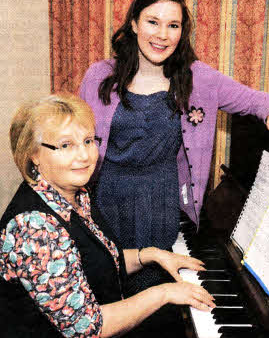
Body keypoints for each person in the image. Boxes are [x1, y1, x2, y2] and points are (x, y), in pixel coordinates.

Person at [79, 0, 269, 295]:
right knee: (104, 288)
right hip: (106, 200)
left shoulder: (198, 78)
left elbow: (251, 99)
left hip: (160, 205)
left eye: (173, 25)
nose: (162, 34)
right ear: (134, 24)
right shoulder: (99, 75)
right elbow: (73, 135)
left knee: (153, 295)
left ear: (182, 31)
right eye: (153, 22)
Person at [0, 93, 216, 338]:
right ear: (33, 155)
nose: (84, 155)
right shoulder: (34, 227)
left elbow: (91, 261)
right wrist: (164, 293)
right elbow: (87, 327)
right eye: (65, 145)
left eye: (88, 141)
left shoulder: (76, 195)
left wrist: (150, 254)